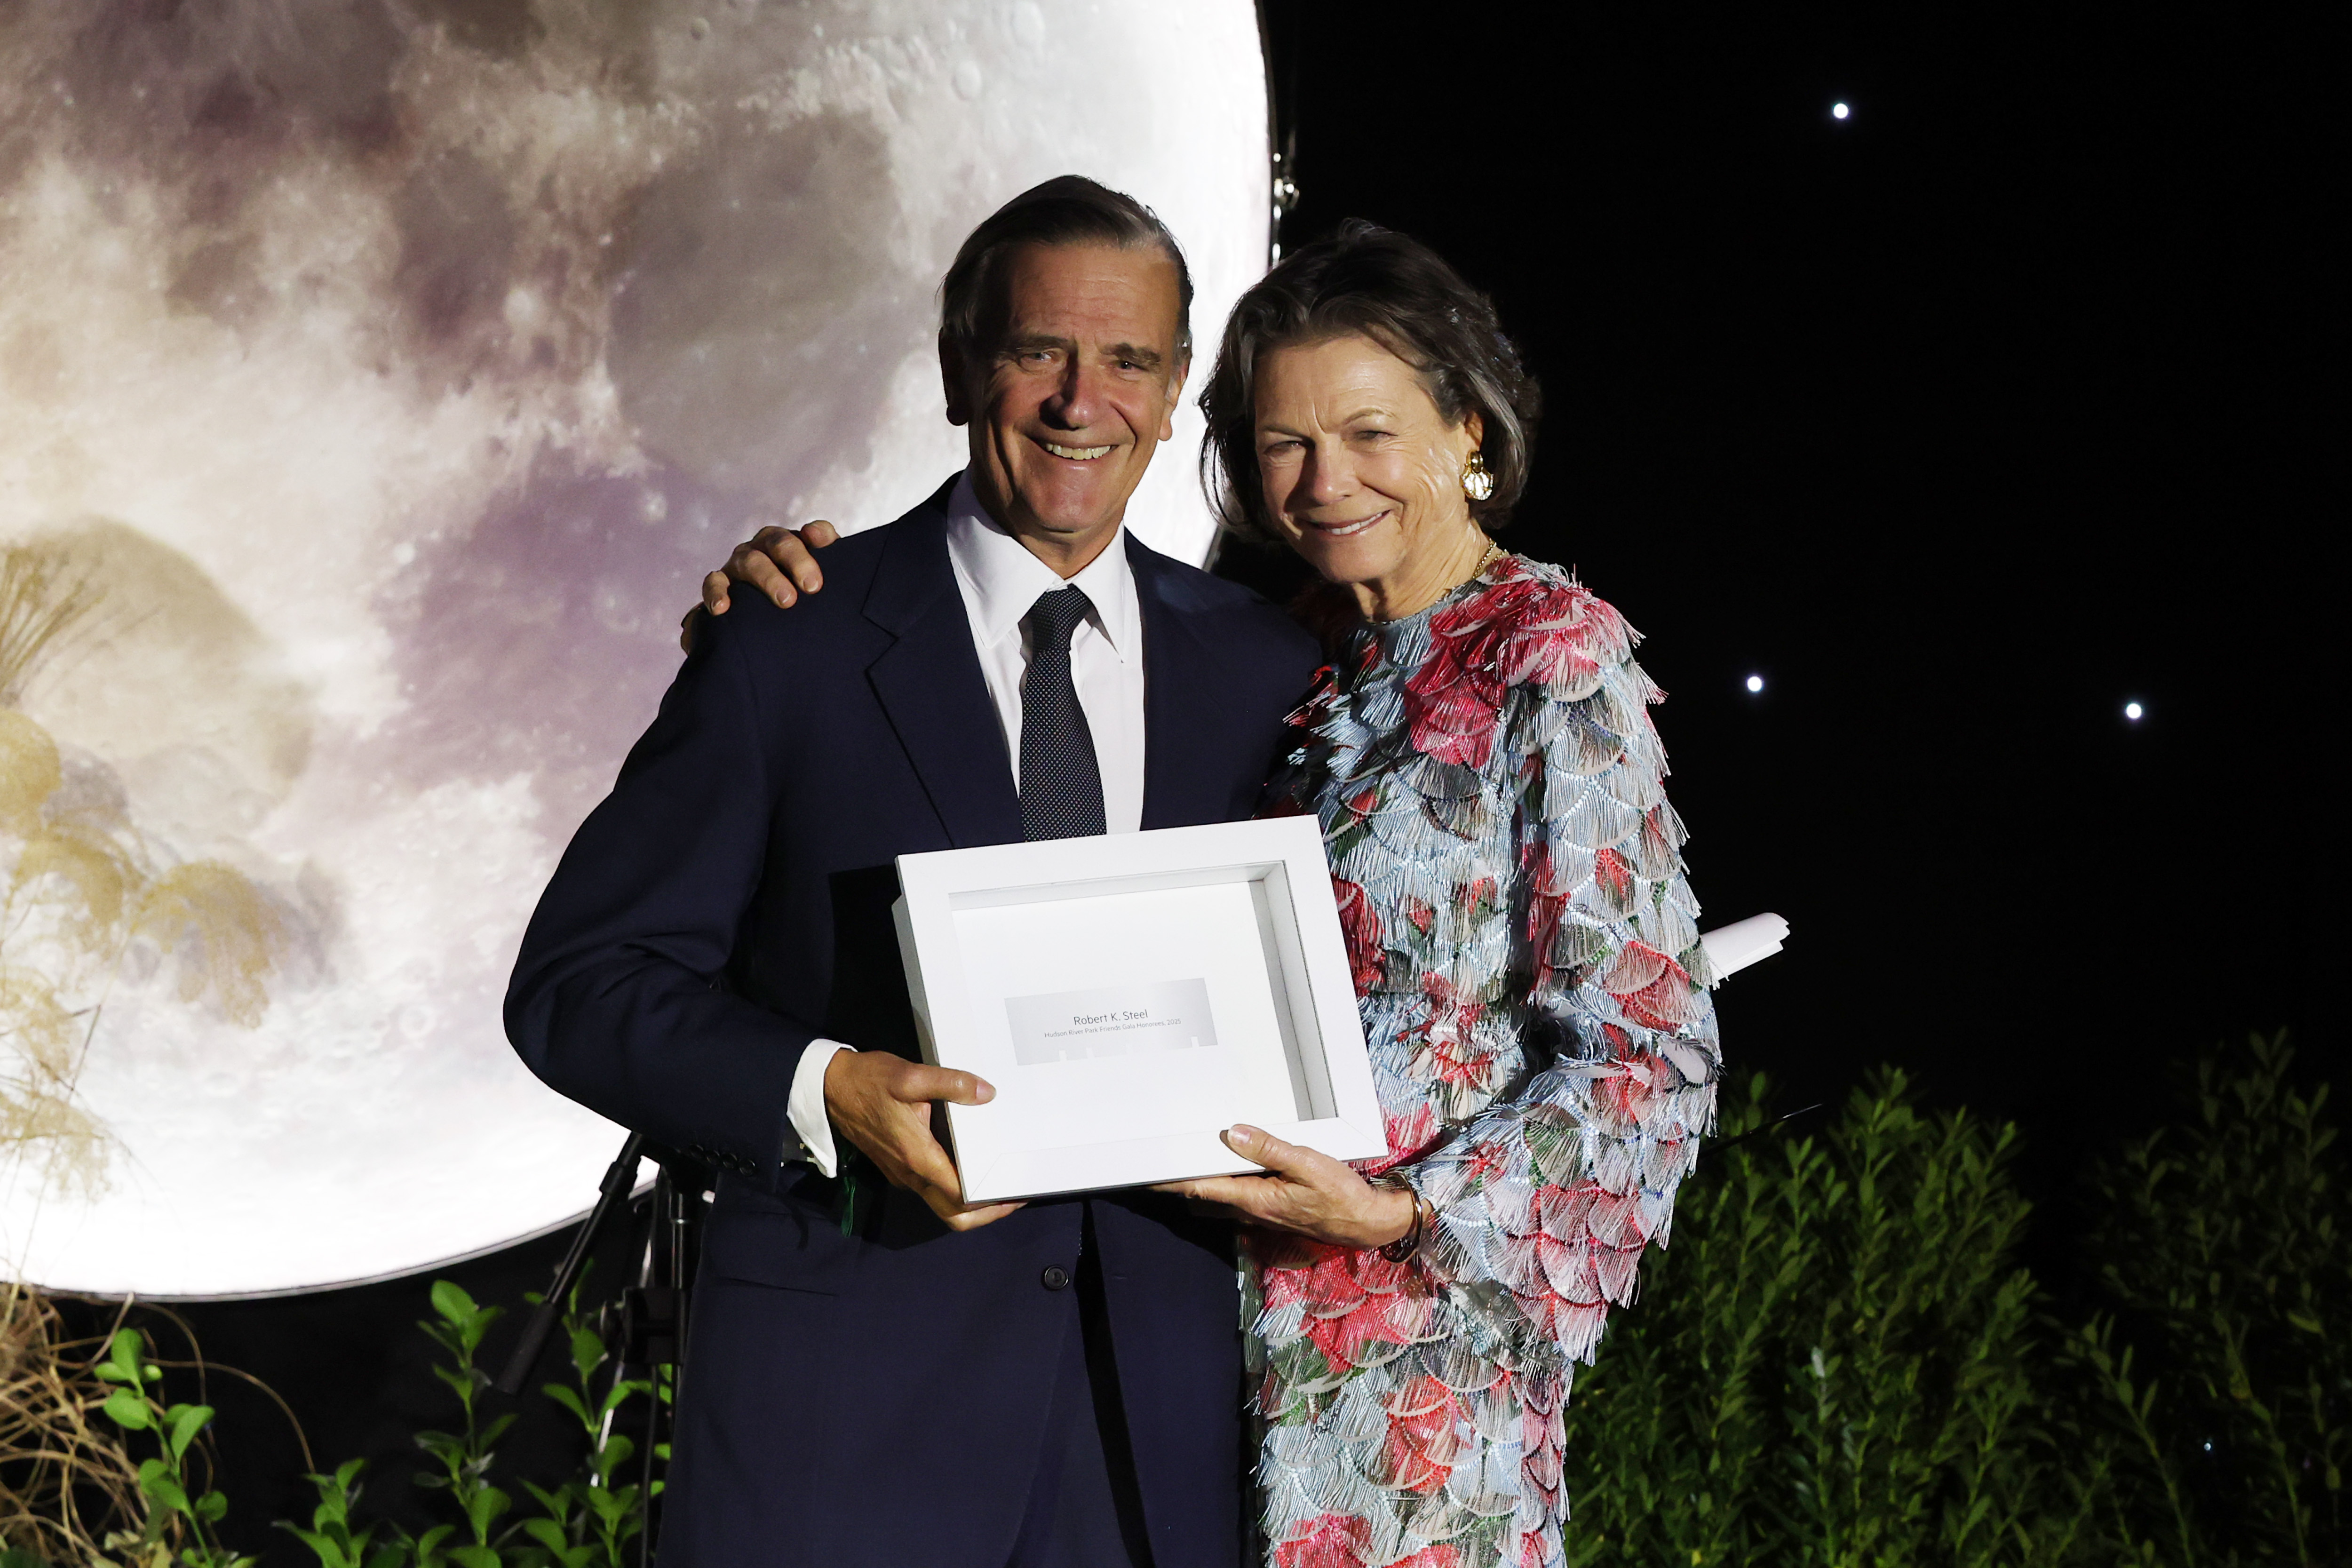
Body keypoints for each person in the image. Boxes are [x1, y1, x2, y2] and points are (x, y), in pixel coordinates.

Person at [703, 221, 1722, 1567]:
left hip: (1410, 1364)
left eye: (1368, 435)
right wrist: (787, 597)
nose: (1322, 483)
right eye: (1283, 444)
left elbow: (1651, 1053)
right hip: (1218, 1347)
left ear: (1470, 432)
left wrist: (1413, 1212)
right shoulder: (1291, 652)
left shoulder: (1556, 661)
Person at [505, 176, 1320, 1568]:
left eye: (1128, 359)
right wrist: (827, 1088)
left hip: (1154, 1444)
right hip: (843, 1428)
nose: (1081, 399)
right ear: (960, 366)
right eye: (1035, 352)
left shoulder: (1270, 670)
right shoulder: (790, 643)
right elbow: (579, 988)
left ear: (1178, 388)